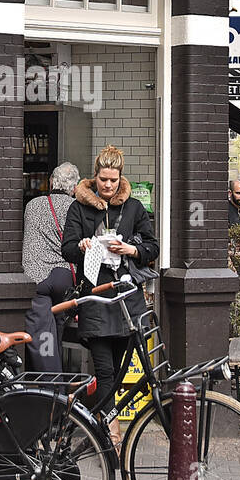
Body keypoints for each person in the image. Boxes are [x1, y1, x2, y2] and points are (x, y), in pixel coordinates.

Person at [62, 146, 159, 449]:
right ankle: (111, 439)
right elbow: (66, 248)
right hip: (97, 297)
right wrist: (82, 245)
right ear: (95, 177)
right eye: (103, 179)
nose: (107, 186)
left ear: (121, 178)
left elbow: (153, 248)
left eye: (113, 180)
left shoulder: (133, 208)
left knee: (116, 374)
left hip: (128, 299)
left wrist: (131, 250)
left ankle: (88, 418)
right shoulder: (79, 208)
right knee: (104, 371)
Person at [22, 162, 81, 373]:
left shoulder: (32, 205)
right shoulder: (76, 208)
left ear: (50, 182)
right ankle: (61, 385)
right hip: (63, 277)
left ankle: (49, 386)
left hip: (36, 277)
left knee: (43, 336)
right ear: (75, 188)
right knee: (57, 330)